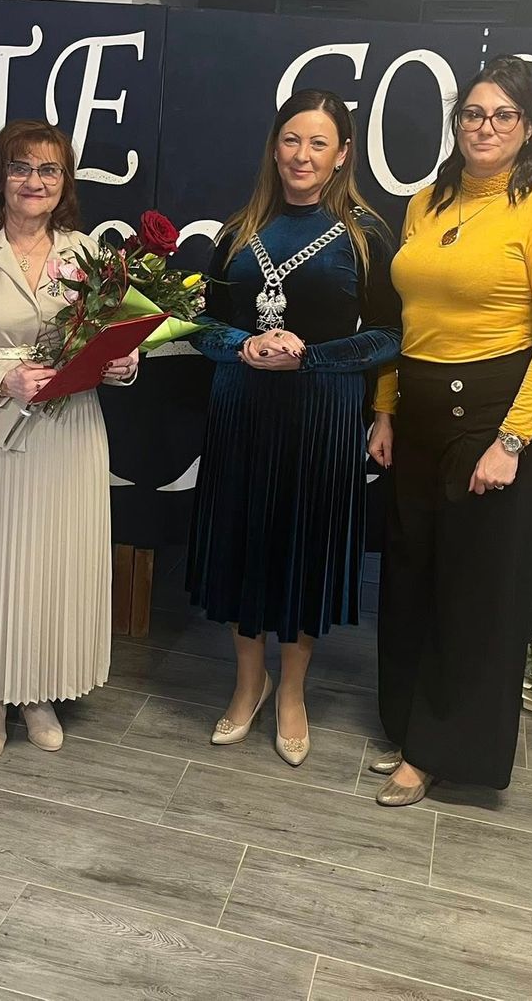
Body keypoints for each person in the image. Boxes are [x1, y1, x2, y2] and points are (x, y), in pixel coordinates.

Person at [367, 54, 532, 805]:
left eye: (503, 115)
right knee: (411, 579)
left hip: (491, 418)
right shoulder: (425, 202)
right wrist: (386, 409)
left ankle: (440, 752)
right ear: (456, 122)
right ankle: (409, 728)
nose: (484, 127)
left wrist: (512, 441)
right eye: (472, 113)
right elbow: (404, 319)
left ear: (529, 129)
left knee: (472, 594)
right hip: (418, 412)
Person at [187, 88, 400, 766]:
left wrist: (311, 358)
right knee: (244, 546)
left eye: (318, 143)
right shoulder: (238, 231)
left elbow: (391, 335)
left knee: (303, 551)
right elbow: (201, 325)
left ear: (342, 155)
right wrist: (241, 345)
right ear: (274, 148)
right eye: (291, 140)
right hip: (242, 409)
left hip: (322, 416)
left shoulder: (366, 236)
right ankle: (248, 683)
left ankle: (292, 693)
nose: (302, 155)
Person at [0, 121, 137, 760]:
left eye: (48, 170)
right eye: (20, 167)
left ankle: (38, 690)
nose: (34, 181)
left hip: (67, 434)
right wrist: (1, 380)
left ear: (65, 182)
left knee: (52, 564)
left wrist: (123, 365)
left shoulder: (88, 252)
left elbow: (108, 339)